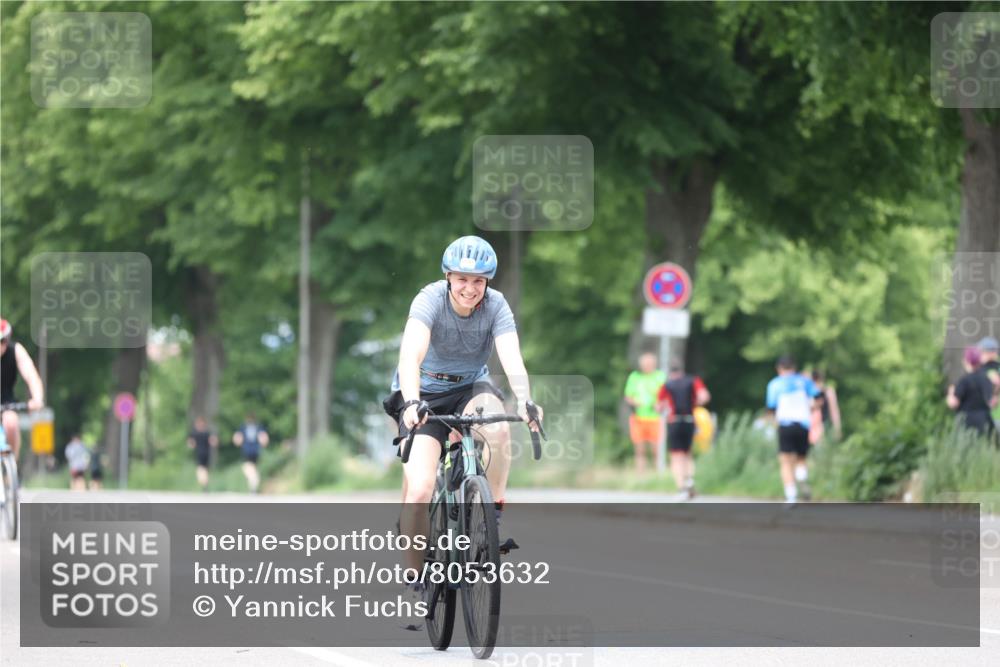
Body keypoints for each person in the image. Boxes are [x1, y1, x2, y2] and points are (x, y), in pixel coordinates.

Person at [382, 235, 542, 629]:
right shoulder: (429, 300)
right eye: (462, 280)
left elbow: (511, 356)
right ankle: (416, 578)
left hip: (471, 386)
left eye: (479, 281)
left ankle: (492, 513)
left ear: (487, 282)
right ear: (448, 277)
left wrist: (524, 400)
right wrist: (414, 401)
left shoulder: (496, 305)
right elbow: (411, 354)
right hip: (425, 390)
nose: (470, 289)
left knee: (499, 430)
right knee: (419, 489)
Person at [766, 356, 821, 503]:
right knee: (801, 458)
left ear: (779, 369)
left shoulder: (775, 384)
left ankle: (791, 495)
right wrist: (812, 407)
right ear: (794, 367)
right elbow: (819, 398)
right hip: (803, 425)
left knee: (785, 461)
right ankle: (802, 478)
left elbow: (771, 408)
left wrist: (772, 424)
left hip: (785, 424)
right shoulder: (805, 381)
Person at [656, 360, 710, 499]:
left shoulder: (666, 385)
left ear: (670, 373)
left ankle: (681, 488)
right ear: (682, 371)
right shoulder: (693, 381)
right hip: (690, 420)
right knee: (688, 453)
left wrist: (662, 408)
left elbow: (659, 406)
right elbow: (704, 396)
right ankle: (689, 479)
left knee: (676, 456)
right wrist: (695, 403)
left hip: (674, 421)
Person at [0, 318, 45, 459]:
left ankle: (11, 466)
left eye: (1, 341)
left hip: (6, 401)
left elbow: (32, 376)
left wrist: (37, 399)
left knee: (11, 423)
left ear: (7, 340)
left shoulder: (16, 351)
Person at [623, 352, 666, 473]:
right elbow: (628, 396)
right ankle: (640, 474)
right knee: (639, 449)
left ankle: (658, 474)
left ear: (654, 364)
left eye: (649, 364)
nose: (647, 366)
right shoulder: (635, 377)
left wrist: (660, 405)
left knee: (656, 449)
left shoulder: (660, 376)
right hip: (639, 417)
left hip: (655, 418)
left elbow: (666, 397)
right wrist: (635, 402)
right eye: (645, 364)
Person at [946, 346, 996, 440]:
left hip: (967, 422)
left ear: (966, 361)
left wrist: (950, 393)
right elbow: (992, 403)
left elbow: (953, 403)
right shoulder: (985, 378)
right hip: (984, 420)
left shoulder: (964, 381)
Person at [232, 413, 269, 494]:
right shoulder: (258, 427)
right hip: (256, 450)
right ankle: (253, 486)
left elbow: (237, 438)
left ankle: (254, 482)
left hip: (247, 450)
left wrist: (236, 442)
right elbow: (264, 437)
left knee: (247, 468)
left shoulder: (243, 427)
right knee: (253, 468)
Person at [808, 370, 842, 445]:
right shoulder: (809, 392)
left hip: (823, 425)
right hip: (811, 426)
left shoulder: (828, 392)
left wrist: (837, 428)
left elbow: (834, 410)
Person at [187, 416, 217, 492]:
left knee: (200, 470)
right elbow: (213, 442)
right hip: (206, 453)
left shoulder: (194, 433)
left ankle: (204, 484)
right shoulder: (207, 432)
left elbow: (191, 444)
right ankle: (205, 485)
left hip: (200, 453)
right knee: (205, 470)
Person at [978, 337, 1000, 432]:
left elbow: (997, 381)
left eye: (981, 352)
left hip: (995, 414)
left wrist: (994, 396)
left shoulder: (990, 367)